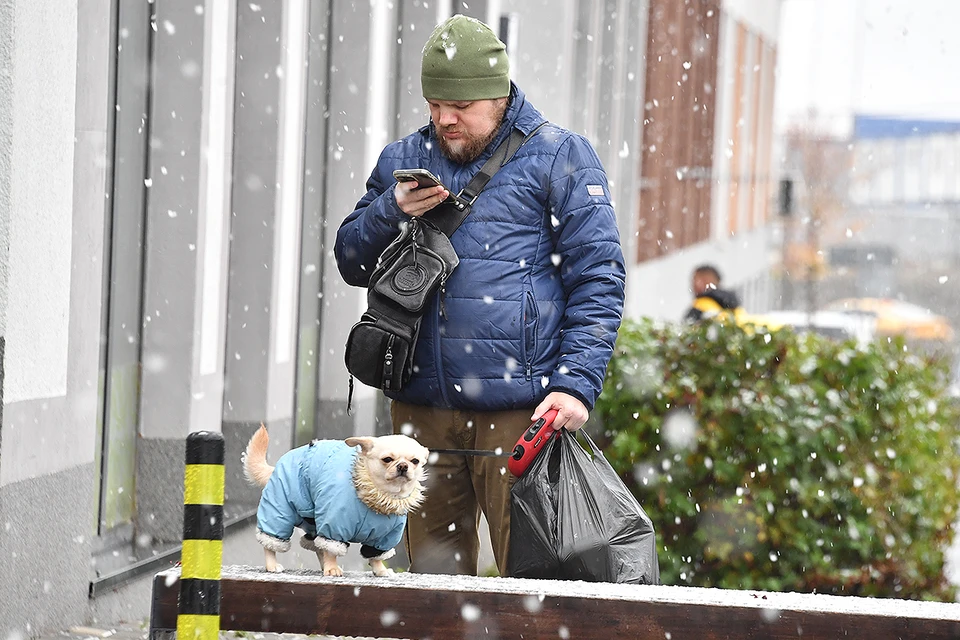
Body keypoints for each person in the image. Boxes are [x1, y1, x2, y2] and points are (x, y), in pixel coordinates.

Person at [334, 14, 625, 577]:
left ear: (499, 95)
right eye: (434, 104)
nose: (445, 119)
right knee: (432, 591)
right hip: (420, 417)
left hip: (521, 412)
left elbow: (599, 279)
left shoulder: (560, 157)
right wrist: (389, 212)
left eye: (461, 107)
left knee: (536, 585)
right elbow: (350, 260)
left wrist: (576, 385)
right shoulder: (401, 161)